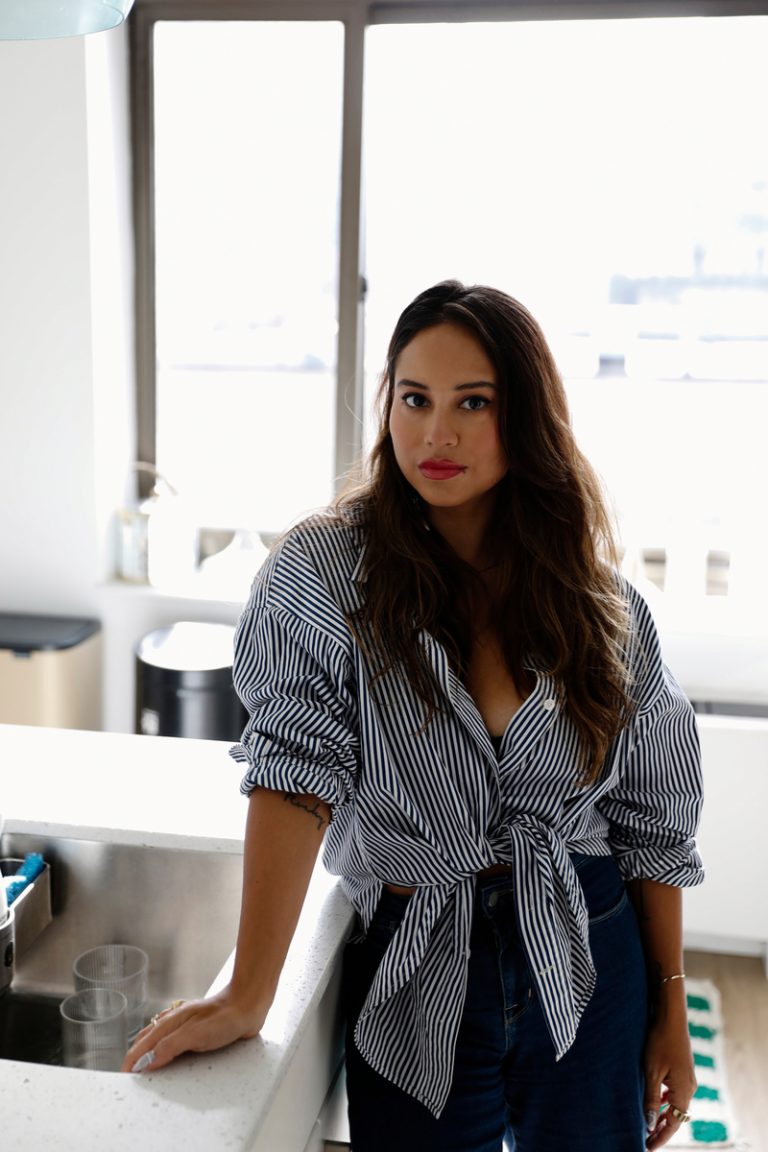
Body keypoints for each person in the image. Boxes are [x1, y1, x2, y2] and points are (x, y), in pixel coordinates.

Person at [122, 281, 704, 1152]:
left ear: (529, 417)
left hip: (586, 943)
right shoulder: (326, 572)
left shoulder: (600, 603)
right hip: (417, 957)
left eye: (475, 403)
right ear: (387, 403)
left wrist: (671, 1009)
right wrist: (250, 991)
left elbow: (651, 826)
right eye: (415, 398)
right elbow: (293, 770)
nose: (438, 434)